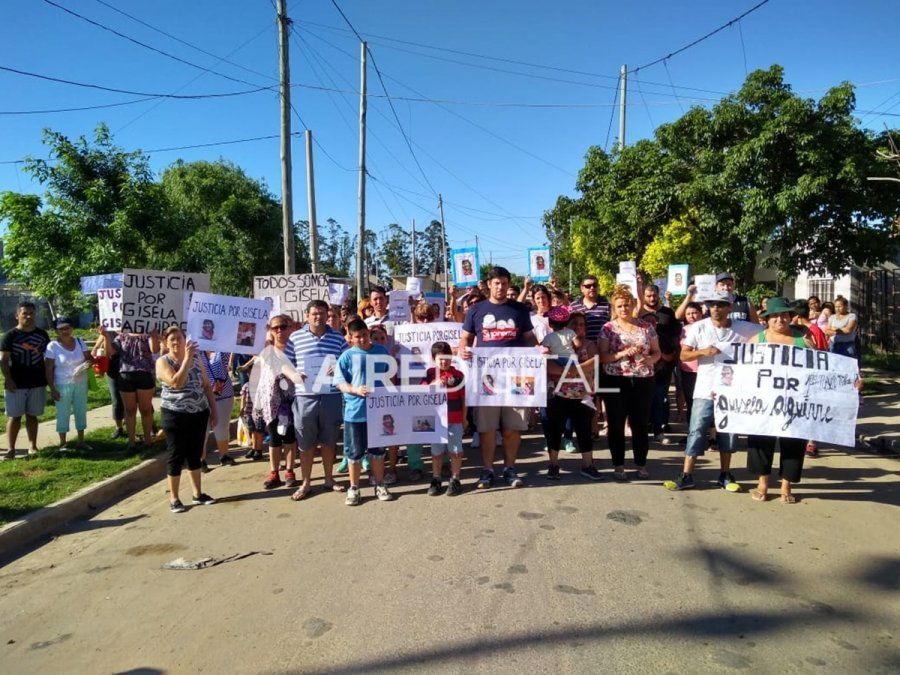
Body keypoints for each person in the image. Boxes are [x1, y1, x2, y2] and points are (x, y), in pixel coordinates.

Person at [665, 291, 758, 492]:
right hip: (705, 388)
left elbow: (767, 333)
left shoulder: (743, 328)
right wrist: (702, 352)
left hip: (731, 391)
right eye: (712, 304)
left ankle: (725, 474)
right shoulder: (699, 327)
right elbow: (683, 355)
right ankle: (687, 474)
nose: (716, 308)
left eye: (721, 304)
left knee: (728, 432)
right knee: (696, 430)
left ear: (730, 307)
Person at [460, 266, 538, 489]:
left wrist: (539, 349)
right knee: (487, 428)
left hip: (516, 376)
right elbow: (465, 338)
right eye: (496, 283)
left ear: (508, 284)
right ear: (489, 285)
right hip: (487, 377)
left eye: (504, 283)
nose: (501, 287)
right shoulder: (476, 310)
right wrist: (463, 349)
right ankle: (487, 470)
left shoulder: (520, 309)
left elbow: (529, 337)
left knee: (513, 427)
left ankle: (510, 469)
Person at [746, 297, 817, 504]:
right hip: (763, 402)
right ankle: (763, 483)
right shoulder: (757, 340)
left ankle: (786, 484)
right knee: (761, 440)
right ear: (767, 319)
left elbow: (821, 369)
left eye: (784, 315)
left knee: (793, 442)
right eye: (775, 316)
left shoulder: (804, 340)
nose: (780, 319)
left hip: (795, 402)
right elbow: (742, 371)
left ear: (790, 317)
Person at [283, 299, 348, 500]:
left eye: (322, 313)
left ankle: (329, 479)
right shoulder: (295, 337)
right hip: (305, 396)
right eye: (314, 313)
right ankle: (306, 483)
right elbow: (284, 364)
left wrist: (338, 367)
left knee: (329, 440)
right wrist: (293, 375)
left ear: (327, 315)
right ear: (307, 316)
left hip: (331, 396)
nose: (318, 317)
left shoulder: (338, 337)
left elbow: (348, 361)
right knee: (306, 442)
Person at [597, 285, 661, 481]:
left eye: (626, 305)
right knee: (616, 424)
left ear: (633, 305)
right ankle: (618, 464)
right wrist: (623, 353)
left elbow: (657, 352)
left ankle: (641, 464)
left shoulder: (646, 326)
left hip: (643, 379)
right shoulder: (608, 328)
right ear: (614, 308)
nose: (623, 309)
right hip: (615, 379)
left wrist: (650, 360)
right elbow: (602, 357)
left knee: (640, 424)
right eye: (619, 306)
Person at [155, 326, 217, 513]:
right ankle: (174, 499)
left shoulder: (197, 359)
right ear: (166, 343)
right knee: (176, 455)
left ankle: (197, 494)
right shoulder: (162, 362)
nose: (176, 342)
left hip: (199, 413)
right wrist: (187, 359)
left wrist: (214, 411)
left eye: (179, 338)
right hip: (175, 414)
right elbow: (176, 382)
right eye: (172, 339)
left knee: (195, 453)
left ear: (185, 340)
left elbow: (207, 386)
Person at [333, 319, 394, 505]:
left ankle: (380, 484)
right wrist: (355, 389)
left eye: (364, 335)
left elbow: (389, 376)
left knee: (378, 451)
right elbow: (339, 382)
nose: (362, 339)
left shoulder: (382, 351)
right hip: (355, 412)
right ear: (351, 338)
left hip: (378, 411)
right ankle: (354, 488)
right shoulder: (346, 356)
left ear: (368, 333)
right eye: (357, 336)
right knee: (355, 452)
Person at [543, 308, 602, 480]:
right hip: (558, 393)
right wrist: (572, 370)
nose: (577, 327)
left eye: (581, 324)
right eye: (574, 324)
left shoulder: (589, 345)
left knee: (584, 428)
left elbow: (595, 363)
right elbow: (546, 364)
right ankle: (553, 464)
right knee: (554, 429)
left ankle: (588, 465)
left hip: (581, 393)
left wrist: (573, 370)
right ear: (567, 325)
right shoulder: (563, 341)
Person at [1, 302, 50, 459]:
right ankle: (11, 449)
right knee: (14, 416)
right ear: (17, 316)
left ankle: (32, 446)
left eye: (31, 313)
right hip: (16, 383)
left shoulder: (42, 335)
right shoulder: (9, 336)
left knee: (32, 415)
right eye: (24, 313)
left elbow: (49, 358)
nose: (28, 316)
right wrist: (8, 379)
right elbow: (3, 360)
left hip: (37, 381)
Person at [257, 315, 299, 490]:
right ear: (270, 330)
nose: (279, 330)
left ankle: (289, 471)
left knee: (289, 437)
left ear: (290, 328)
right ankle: (274, 473)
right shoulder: (265, 349)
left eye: (283, 326)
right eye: (275, 327)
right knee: (274, 438)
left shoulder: (296, 348)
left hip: (290, 399)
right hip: (271, 401)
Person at [636, 284, 680, 444]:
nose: (651, 298)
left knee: (660, 399)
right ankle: (642, 432)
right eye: (648, 295)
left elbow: (676, 337)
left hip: (663, 370)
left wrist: (671, 356)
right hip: (643, 371)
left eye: (654, 295)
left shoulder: (667, 314)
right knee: (643, 401)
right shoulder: (640, 327)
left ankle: (659, 430)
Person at [422, 342, 466, 496]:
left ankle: (455, 479)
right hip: (436, 421)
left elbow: (463, 399)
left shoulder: (458, 375)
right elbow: (420, 392)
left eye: (447, 358)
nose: (443, 362)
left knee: (456, 450)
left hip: (455, 419)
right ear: (433, 359)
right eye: (440, 359)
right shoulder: (429, 373)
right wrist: (434, 385)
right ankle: (436, 478)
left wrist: (464, 419)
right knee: (436, 451)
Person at [105, 329, 159, 450]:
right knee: (129, 410)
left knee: (146, 410)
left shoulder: (147, 335)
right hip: (126, 375)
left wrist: (154, 337)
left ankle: (148, 441)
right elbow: (110, 352)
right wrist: (105, 337)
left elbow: (155, 350)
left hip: (144, 375)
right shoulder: (122, 336)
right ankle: (131, 443)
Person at [45, 318, 93, 450]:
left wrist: (87, 364)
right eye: (61, 329)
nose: (65, 331)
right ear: (56, 331)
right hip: (62, 384)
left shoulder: (80, 342)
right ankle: (63, 443)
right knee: (63, 413)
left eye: (67, 328)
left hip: (81, 382)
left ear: (71, 328)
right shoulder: (52, 346)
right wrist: (52, 388)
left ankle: (81, 441)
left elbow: (89, 359)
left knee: (81, 410)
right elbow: (48, 369)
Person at [199, 351, 236, 470]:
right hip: (201, 397)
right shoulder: (195, 351)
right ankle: (201, 461)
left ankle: (224, 456)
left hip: (223, 396)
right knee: (201, 430)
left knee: (222, 427)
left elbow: (234, 347)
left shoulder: (221, 350)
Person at [674, 301, 704, 424]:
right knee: (690, 400)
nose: (692, 316)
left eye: (695, 313)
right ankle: (692, 429)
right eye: (688, 314)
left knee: (705, 401)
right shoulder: (683, 330)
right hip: (687, 371)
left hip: (704, 370)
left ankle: (710, 431)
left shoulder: (708, 327)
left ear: (701, 313)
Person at [570, 274, 610, 341]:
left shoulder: (607, 305)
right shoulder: (573, 306)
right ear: (582, 288)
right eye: (588, 286)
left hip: (602, 345)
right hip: (581, 346)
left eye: (594, 285)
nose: (592, 288)